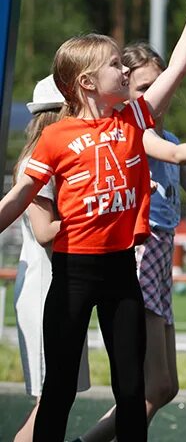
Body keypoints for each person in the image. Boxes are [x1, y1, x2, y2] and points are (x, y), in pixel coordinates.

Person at [0, 0, 186, 442]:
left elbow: (176, 68)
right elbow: (19, 199)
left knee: (132, 391)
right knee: (58, 394)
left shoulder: (133, 120)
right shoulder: (54, 138)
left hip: (120, 274)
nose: (126, 71)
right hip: (71, 276)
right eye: (117, 66)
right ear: (87, 83)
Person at [78, 43, 186, 442]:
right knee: (150, 385)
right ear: (126, 90)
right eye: (144, 88)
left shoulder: (170, 137)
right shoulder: (131, 136)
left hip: (160, 262)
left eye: (159, 84)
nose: (153, 96)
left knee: (164, 388)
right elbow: (179, 156)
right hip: (140, 256)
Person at [12, 76, 90, 442]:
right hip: (44, 288)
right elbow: (45, 232)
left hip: (60, 287)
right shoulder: (36, 160)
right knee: (51, 399)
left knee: (59, 397)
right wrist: (97, 213)